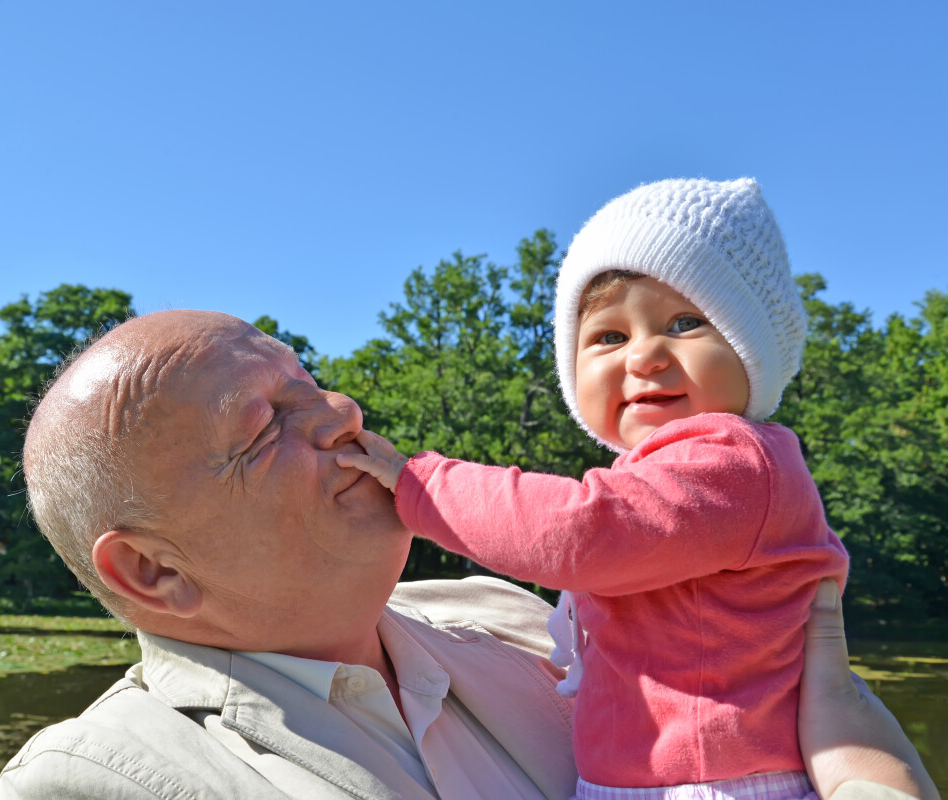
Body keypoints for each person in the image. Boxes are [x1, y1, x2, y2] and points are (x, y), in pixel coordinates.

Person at [0, 308, 936, 800]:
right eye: (266, 422)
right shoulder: (90, 782)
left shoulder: (517, 613)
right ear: (153, 572)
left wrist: (857, 746)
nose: (344, 415)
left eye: (311, 385)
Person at [339, 178, 857, 798]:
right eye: (610, 336)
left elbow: (581, 532)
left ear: (753, 354)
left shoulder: (735, 460)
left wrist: (417, 483)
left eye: (686, 322)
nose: (644, 356)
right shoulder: (667, 474)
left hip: (717, 783)